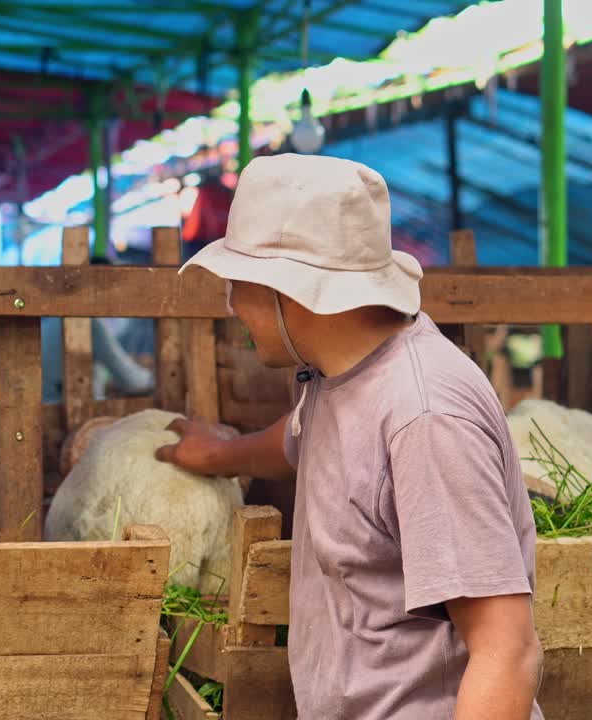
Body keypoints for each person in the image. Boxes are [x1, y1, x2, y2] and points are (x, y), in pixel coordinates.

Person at [155, 154, 543, 719]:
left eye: (239, 283)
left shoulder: (425, 418)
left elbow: (508, 652)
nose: (232, 305)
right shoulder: (334, 376)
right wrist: (216, 454)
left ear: (291, 290)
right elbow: (298, 444)